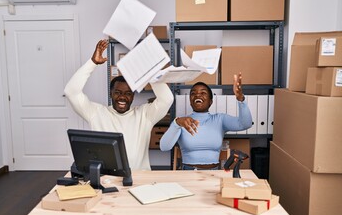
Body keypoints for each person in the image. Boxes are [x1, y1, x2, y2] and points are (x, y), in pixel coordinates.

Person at [64, 39, 174, 170]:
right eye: (117, 92)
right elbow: (71, 91)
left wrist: (150, 72)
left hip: (140, 179)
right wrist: (92, 63)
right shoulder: (96, 113)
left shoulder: (145, 114)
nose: (122, 97)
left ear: (133, 96)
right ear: (111, 94)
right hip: (107, 178)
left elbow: (166, 99)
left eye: (128, 93)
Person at [159, 73, 252, 170]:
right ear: (190, 101)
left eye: (203, 93)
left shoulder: (220, 119)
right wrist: (176, 123)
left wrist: (241, 99)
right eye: (193, 93)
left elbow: (245, 124)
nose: (197, 95)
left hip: (214, 174)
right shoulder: (183, 122)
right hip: (188, 174)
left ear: (210, 101)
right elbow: (164, 147)